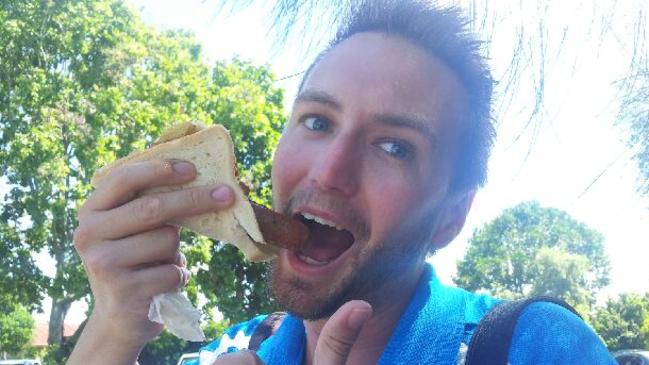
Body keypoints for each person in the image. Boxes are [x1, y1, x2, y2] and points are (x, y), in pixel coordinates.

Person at [67, 0, 616, 364]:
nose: (329, 170)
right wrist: (113, 327)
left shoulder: (535, 346)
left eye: (395, 146)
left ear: (452, 215)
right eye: (317, 121)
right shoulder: (227, 350)